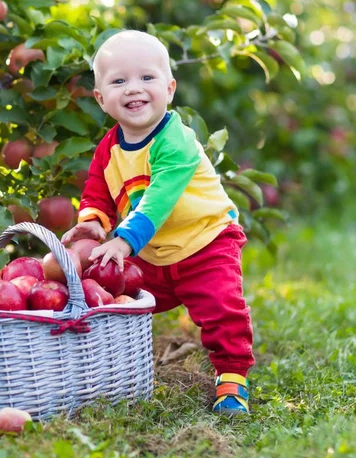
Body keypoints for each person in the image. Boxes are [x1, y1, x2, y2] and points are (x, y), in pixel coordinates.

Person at [62, 30, 254, 416]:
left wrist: (123, 240)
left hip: (206, 242)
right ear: (101, 99)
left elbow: (160, 196)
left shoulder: (176, 139)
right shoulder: (109, 148)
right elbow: (97, 190)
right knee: (112, 296)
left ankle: (232, 379)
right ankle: (105, 369)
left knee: (221, 308)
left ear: (169, 88)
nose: (134, 89)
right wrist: (92, 222)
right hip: (152, 253)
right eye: (119, 81)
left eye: (147, 78)